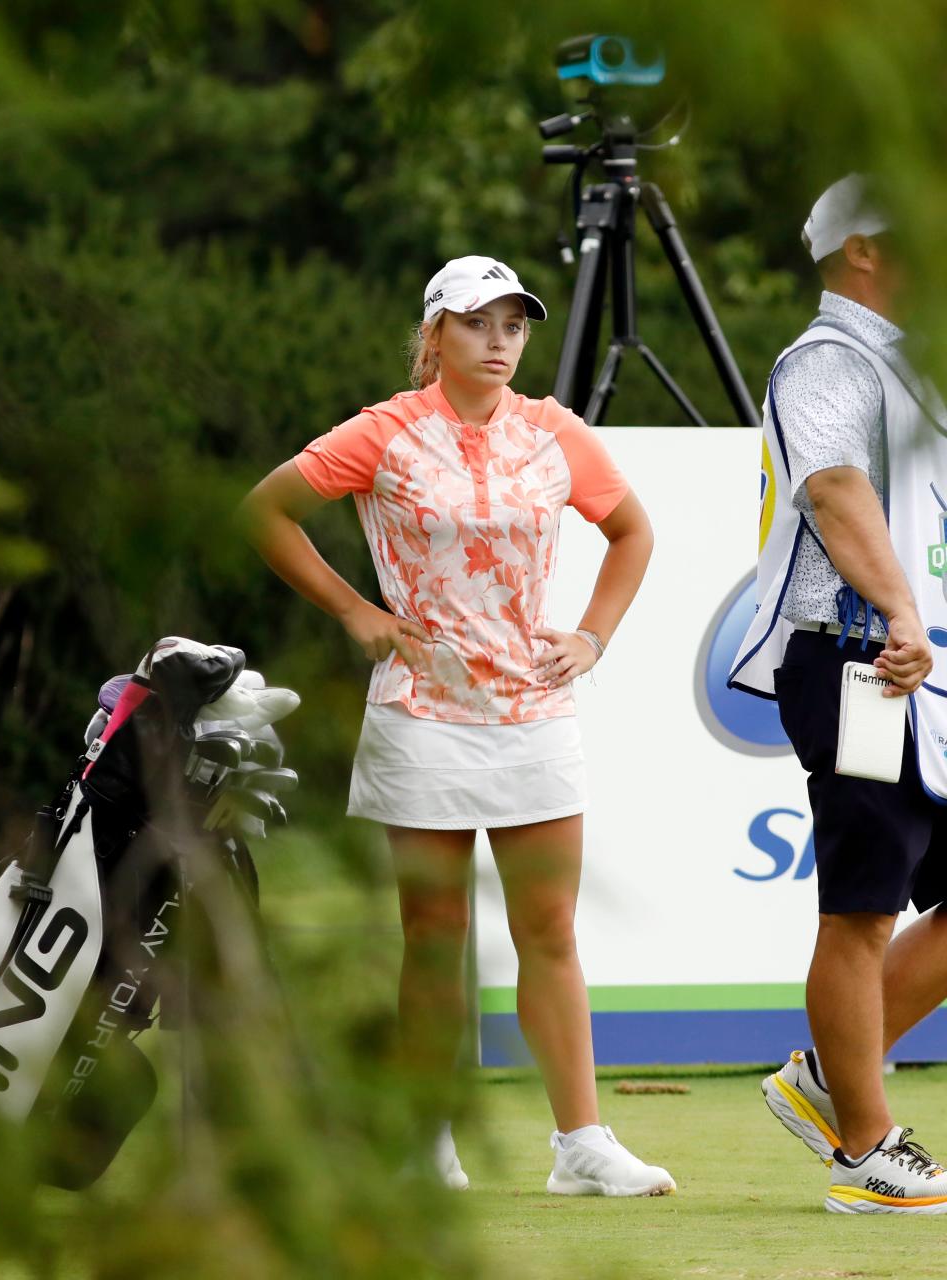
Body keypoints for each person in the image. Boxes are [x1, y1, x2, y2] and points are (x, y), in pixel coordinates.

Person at [242, 255, 675, 1197]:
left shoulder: (554, 432)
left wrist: (593, 637)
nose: (499, 343)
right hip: (423, 715)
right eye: (478, 324)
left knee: (550, 932)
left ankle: (582, 1146)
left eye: (514, 326)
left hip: (533, 713)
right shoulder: (384, 433)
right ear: (434, 334)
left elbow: (633, 531)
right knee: (433, 935)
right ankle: (426, 1143)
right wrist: (356, 611)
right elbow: (266, 512)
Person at [729, 175, 947, 1214]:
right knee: (861, 906)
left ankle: (826, 1076)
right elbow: (833, 485)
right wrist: (901, 609)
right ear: (861, 250)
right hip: (858, 657)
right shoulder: (827, 357)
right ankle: (865, 1147)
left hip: (915, 660)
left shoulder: (910, 367)